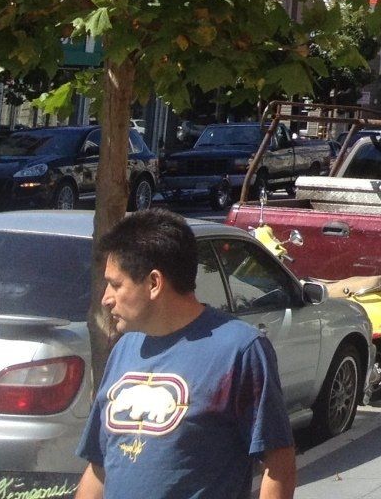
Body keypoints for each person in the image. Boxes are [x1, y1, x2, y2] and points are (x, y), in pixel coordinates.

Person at [75, 208, 294, 499]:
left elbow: (279, 464)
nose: (106, 298)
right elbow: (100, 465)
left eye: (116, 284)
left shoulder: (240, 350)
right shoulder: (124, 349)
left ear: (154, 283)